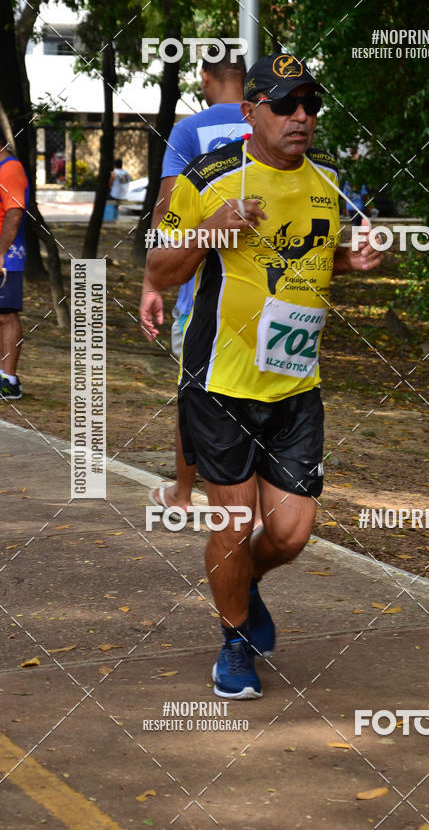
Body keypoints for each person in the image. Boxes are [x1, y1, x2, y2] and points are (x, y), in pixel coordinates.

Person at [144, 53, 382, 698]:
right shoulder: (208, 177)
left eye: (310, 105)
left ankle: (242, 583)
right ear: (252, 112)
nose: (301, 116)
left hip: (296, 385)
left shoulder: (327, 178)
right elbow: (160, 269)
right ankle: (234, 643)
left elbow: (326, 250)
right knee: (231, 522)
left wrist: (355, 258)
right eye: (285, 104)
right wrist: (210, 231)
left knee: (291, 533)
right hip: (222, 382)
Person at [140, 43, 249, 516]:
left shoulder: (189, 131)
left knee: (194, 391)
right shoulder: (274, 124)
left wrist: (151, 282)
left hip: (202, 290)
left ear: (205, 77)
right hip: (270, 288)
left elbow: (166, 210)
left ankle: (184, 495)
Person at [0, 131, 29, 400]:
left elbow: (15, 212)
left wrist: (1, 252)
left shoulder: (10, 169)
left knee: (6, 315)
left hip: (7, 256)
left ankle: (9, 380)